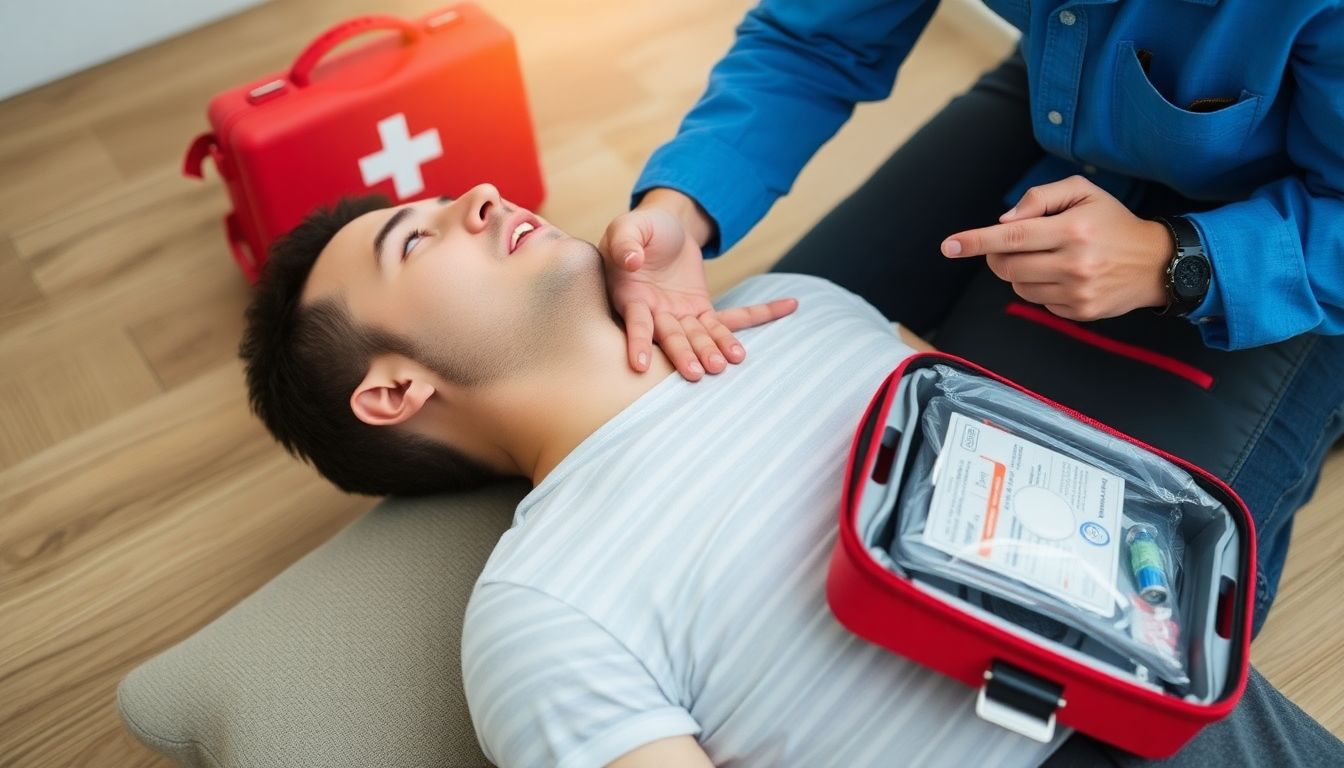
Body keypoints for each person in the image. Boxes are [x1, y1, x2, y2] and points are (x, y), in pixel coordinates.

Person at [238, 186, 1344, 767]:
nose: (475, 196)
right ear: (390, 392)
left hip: (1169, 668)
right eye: (417, 242)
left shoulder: (802, 305)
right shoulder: (536, 613)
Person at [597, 0, 1344, 636]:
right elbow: (812, 36)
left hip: (1305, 205)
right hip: (1074, 88)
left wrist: (1173, 262)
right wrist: (682, 207)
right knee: (758, 374)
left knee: (1129, 611)